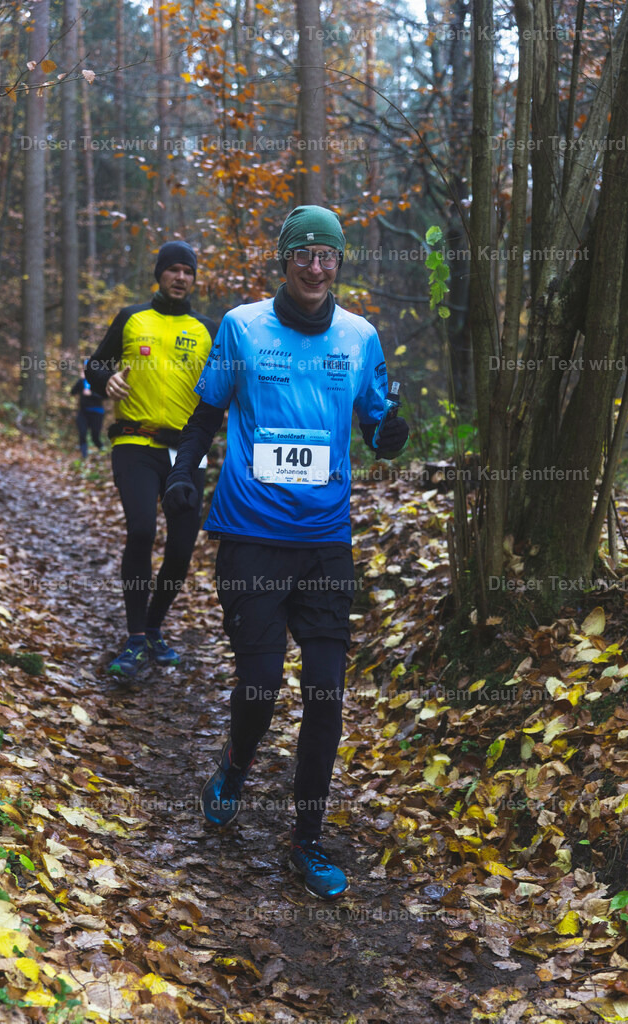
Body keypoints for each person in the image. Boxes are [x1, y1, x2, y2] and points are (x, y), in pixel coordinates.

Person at [162, 206, 409, 901]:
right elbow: (208, 411)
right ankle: (234, 770)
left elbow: (376, 420)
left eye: (327, 255)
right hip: (250, 535)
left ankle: (307, 840)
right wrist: (185, 471)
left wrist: (391, 435)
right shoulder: (241, 327)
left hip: (326, 542)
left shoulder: (359, 337)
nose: (315, 266)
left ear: (339, 263)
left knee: (326, 692)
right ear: (285, 259)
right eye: (303, 253)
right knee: (263, 685)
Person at [85, 241, 219, 678]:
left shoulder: (206, 329)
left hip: (187, 451)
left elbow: (222, 389)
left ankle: (155, 625)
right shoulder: (131, 317)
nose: (181, 277)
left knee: (182, 548)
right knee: (142, 530)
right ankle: (135, 637)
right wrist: (106, 380)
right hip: (134, 442)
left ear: (194, 280)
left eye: (188, 271)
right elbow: (94, 365)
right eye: (174, 270)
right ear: (159, 274)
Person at [71, 363, 106, 458]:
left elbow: (105, 396)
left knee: (95, 436)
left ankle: (103, 451)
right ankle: (84, 456)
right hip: (84, 412)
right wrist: (80, 380)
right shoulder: (82, 382)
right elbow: (72, 392)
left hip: (97, 413)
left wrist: (91, 394)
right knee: (82, 433)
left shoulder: (98, 382)